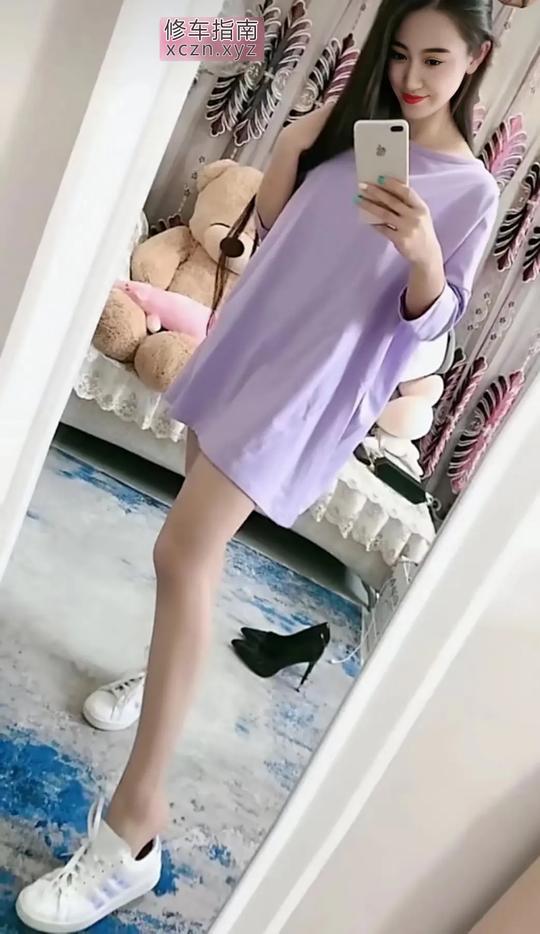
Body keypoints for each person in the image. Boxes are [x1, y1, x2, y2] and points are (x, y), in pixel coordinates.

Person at [16, 0, 499, 929]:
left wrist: (422, 254)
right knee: (195, 553)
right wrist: (304, 137)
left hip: (307, 389)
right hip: (246, 344)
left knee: (181, 553)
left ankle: (134, 832)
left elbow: (431, 325)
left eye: (436, 60)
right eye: (400, 53)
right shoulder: (361, 131)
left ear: (475, 61)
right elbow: (274, 225)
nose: (413, 77)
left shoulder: (469, 193)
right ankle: (164, 674)